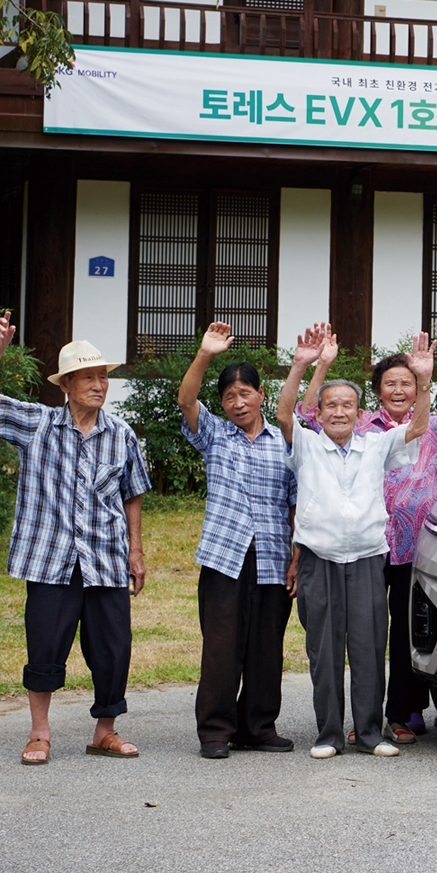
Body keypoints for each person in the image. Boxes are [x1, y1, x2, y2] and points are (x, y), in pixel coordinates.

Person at [0, 315, 151, 766]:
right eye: (89, 377)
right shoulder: (39, 423)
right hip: (50, 557)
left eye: (103, 377)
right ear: (66, 385)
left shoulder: (121, 435)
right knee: (45, 646)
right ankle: (39, 733)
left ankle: (105, 732)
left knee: (113, 648)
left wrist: (136, 551)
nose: (99, 385)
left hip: (106, 559)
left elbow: (132, 494)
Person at [302, 327, 437, 742]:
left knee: (405, 632)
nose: (399, 390)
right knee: (361, 636)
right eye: (390, 383)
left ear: (417, 387)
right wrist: (321, 366)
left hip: (413, 546)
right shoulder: (360, 423)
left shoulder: (433, 425)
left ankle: (401, 713)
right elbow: (308, 415)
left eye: (407, 382)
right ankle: (360, 720)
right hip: (364, 543)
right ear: (377, 391)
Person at [276, 325, 437, 759]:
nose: (339, 412)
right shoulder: (307, 445)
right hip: (319, 558)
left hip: (367, 558)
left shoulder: (376, 445)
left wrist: (424, 380)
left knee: (369, 648)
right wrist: (300, 365)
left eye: (347, 405)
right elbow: (285, 414)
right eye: (331, 405)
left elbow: (418, 427)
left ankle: (369, 733)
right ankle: (328, 735)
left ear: (360, 412)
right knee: (324, 651)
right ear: (320, 412)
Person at [178, 322, 298, 759]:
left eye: (245, 393)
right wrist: (205, 354)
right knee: (221, 648)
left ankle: (258, 728)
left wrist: (296, 558)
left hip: (272, 556)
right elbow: (186, 400)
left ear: (261, 394)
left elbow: (295, 502)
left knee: (267, 647)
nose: (238, 402)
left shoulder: (285, 441)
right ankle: (215, 731)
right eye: (229, 396)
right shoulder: (214, 434)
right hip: (224, 557)